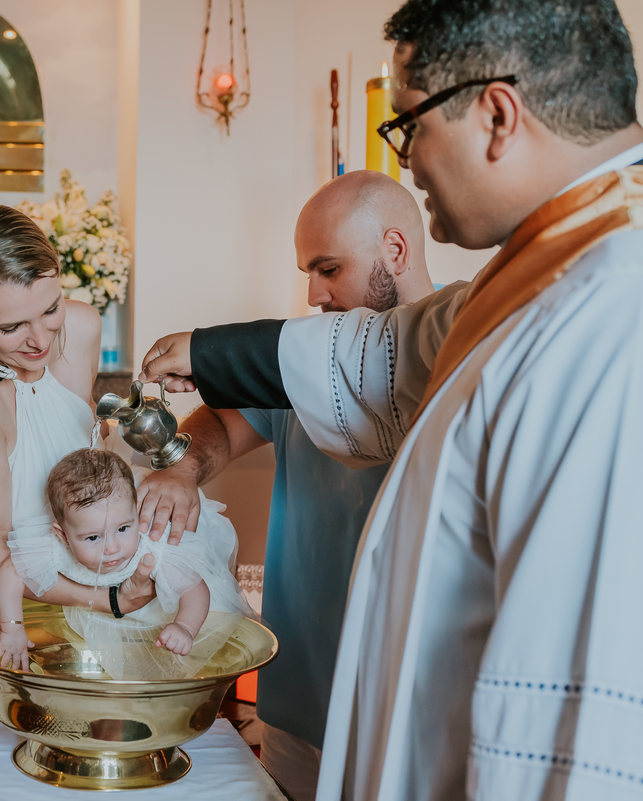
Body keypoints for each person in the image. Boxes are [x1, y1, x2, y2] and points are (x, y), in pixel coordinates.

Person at [140, 1, 643, 797]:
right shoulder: (553, 261)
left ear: (497, 114)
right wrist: (207, 357)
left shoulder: (609, 302)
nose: (408, 160)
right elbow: (387, 351)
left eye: (409, 126)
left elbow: (576, 679)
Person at [136, 170, 435, 799]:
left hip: (408, 703)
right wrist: (184, 470)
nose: (314, 294)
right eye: (308, 272)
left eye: (329, 269)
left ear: (396, 250)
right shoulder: (309, 360)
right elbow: (223, 416)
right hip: (296, 692)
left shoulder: (450, 351)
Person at [0, 205, 161, 800]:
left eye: (49, 309)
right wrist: (108, 600)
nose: (42, 339)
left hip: (77, 590)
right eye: (11, 328)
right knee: (4, 775)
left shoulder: (80, 327)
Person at [0, 447, 252, 679]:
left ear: (135, 514)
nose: (112, 547)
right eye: (93, 537)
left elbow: (194, 588)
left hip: (153, 620)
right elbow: (9, 571)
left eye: (122, 528)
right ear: (63, 535)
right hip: (93, 615)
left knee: (153, 672)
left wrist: (184, 626)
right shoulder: (56, 546)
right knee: (97, 672)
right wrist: (12, 629)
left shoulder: (150, 546)